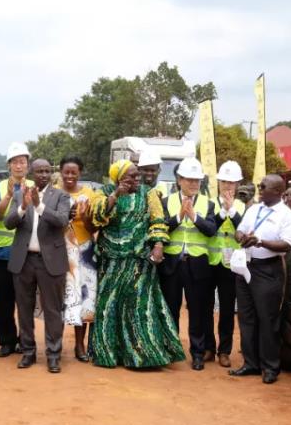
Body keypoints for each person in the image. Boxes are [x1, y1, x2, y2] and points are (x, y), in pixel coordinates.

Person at [89, 160, 184, 369]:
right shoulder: (102, 192)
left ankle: (143, 356)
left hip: (139, 260)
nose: (136, 179)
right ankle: (108, 354)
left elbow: (158, 220)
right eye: (130, 176)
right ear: (118, 178)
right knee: (109, 306)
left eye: (136, 175)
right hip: (111, 261)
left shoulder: (148, 193)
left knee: (139, 306)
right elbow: (96, 218)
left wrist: (158, 245)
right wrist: (115, 195)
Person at [4, 158, 71, 373]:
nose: (43, 174)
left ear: (51, 173)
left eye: (46, 171)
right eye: (38, 171)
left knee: (52, 310)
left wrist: (38, 205)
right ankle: (28, 352)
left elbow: (62, 221)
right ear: (31, 173)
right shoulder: (19, 195)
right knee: (24, 309)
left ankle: (53, 355)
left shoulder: (61, 195)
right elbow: (8, 223)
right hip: (24, 261)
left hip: (50, 261)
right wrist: (24, 206)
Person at [230, 174, 291, 384]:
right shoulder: (253, 209)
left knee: (267, 320)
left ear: (277, 191)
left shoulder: (286, 215)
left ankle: (270, 367)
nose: (259, 188)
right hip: (245, 267)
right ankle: (251, 364)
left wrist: (260, 242)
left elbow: (286, 244)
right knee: (246, 317)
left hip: (267, 271)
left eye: (263, 186)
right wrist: (242, 237)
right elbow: (239, 231)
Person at [158, 157, 218, 370]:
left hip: (197, 264)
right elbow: (161, 227)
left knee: (198, 310)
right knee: (171, 308)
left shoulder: (208, 204)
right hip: (172, 263)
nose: (194, 184)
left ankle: (198, 353)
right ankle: (171, 350)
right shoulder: (166, 201)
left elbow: (211, 230)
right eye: (190, 180)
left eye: (197, 180)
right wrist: (178, 217)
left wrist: (194, 217)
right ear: (179, 180)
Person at [0, 142, 30, 357]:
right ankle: (6, 341)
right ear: (9, 165)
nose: (19, 166)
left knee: (25, 301)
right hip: (1, 253)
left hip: (26, 254)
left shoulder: (33, 185)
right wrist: (7, 196)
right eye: (15, 162)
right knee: (2, 301)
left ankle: (25, 341)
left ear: (27, 165)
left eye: (22, 161)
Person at [205, 160, 245, 369]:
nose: (228, 186)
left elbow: (244, 230)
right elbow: (209, 226)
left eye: (232, 183)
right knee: (206, 307)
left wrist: (232, 211)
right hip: (210, 260)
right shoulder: (209, 203)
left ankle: (224, 350)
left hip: (231, 264)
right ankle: (208, 347)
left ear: (238, 184)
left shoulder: (243, 206)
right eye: (224, 182)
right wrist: (223, 211)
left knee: (228, 309)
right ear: (218, 182)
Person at [58, 156, 96, 362]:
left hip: (85, 251)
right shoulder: (54, 193)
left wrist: (86, 216)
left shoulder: (89, 194)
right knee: (61, 299)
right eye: (67, 172)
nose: (70, 176)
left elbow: (94, 228)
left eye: (74, 172)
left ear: (80, 172)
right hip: (60, 251)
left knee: (84, 298)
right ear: (61, 172)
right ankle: (55, 344)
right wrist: (68, 216)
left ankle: (80, 345)